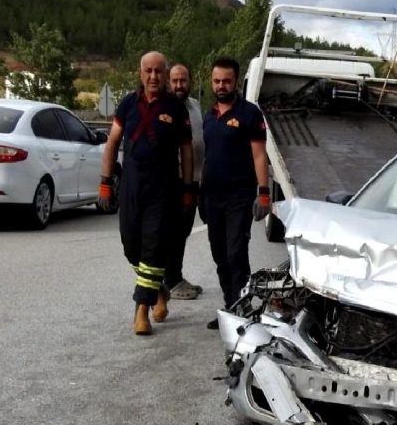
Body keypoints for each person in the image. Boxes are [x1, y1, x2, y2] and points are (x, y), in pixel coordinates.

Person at [99, 51, 194, 336]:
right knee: (131, 246)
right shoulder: (127, 103)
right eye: (148, 71)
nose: (154, 76)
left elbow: (187, 152)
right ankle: (159, 289)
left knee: (153, 247)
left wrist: (188, 190)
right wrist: (105, 182)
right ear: (141, 73)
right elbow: (113, 142)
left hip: (163, 191)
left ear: (166, 75)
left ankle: (142, 309)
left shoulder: (177, 110)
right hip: (131, 187)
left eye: (159, 71)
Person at [201, 56, 270, 330]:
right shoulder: (209, 115)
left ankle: (243, 313)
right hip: (211, 197)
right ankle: (230, 307)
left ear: (236, 82)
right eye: (217, 80)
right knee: (220, 256)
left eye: (226, 81)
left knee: (235, 254)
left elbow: (259, 155)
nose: (221, 85)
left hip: (239, 197)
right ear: (211, 81)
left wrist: (263, 192)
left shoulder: (250, 114)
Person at [164, 63, 206, 300]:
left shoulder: (195, 106)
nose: (179, 85)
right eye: (175, 81)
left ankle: (175, 277)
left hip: (194, 179)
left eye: (183, 80)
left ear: (190, 81)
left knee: (184, 231)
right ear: (168, 82)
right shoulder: (165, 107)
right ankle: (170, 282)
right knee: (173, 232)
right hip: (173, 181)